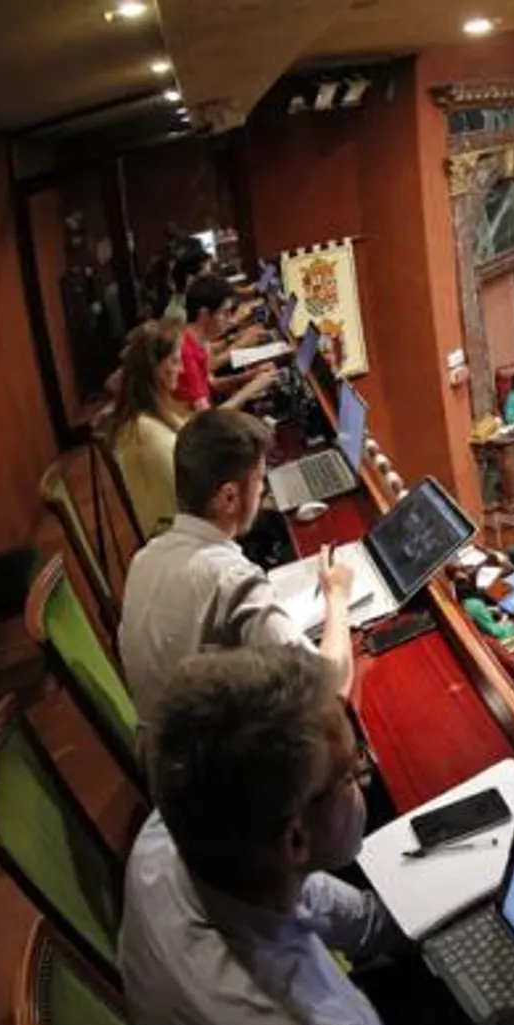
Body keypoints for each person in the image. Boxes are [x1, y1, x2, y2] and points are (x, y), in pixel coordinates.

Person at [122, 646, 434, 1025]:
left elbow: (340, 911)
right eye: (350, 774)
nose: (364, 780)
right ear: (295, 839)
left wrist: (427, 919)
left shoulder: (166, 834)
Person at [120, 410, 353, 735]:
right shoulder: (231, 579)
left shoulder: (143, 559)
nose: (262, 492)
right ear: (229, 497)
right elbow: (332, 685)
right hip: (221, 771)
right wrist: (337, 595)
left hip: (165, 754)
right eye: (260, 481)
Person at [108, 323, 189, 539]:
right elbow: (187, 499)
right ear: (156, 369)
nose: (182, 369)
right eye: (175, 361)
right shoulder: (145, 435)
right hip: (183, 544)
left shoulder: (149, 413)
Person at [172, 274, 278, 415]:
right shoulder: (186, 354)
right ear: (204, 314)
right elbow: (208, 420)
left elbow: (211, 384)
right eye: (225, 313)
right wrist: (249, 390)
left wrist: (249, 376)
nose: (231, 320)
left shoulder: (196, 341)